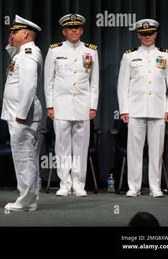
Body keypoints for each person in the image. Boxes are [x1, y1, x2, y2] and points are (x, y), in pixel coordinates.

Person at [117, 19, 168, 198]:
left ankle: (155, 187)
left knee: (156, 151)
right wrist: (124, 110)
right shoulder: (129, 56)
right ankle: (134, 187)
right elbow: (122, 85)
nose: (147, 36)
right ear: (138, 35)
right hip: (135, 110)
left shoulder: (166, 56)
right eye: (144, 34)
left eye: (150, 33)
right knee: (134, 150)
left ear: (156, 34)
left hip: (158, 110)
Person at [44, 13, 99, 197]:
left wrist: (93, 106)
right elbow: (48, 81)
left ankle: (79, 184)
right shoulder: (54, 50)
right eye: (70, 28)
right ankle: (64, 184)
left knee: (81, 148)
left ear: (81, 30)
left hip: (83, 105)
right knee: (62, 147)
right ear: (64, 31)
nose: (74, 30)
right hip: (61, 105)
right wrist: (49, 105)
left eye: (77, 28)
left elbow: (94, 82)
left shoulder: (91, 51)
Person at [1, 15, 43, 211]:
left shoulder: (28, 54)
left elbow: (28, 86)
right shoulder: (23, 53)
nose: (11, 34)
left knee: (24, 156)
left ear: (25, 33)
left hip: (21, 114)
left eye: (14, 31)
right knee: (25, 155)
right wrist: (11, 46)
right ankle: (29, 197)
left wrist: (21, 113)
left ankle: (26, 200)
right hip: (18, 112)